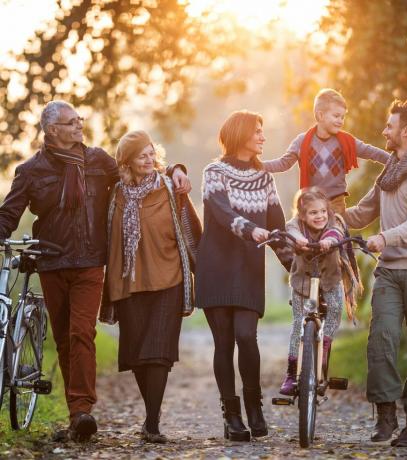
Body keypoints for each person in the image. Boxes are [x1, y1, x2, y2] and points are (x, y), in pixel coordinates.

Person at [0, 101, 190, 442]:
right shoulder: (31, 171)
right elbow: (9, 214)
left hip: (90, 262)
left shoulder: (98, 161)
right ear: (52, 130)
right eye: (71, 122)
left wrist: (174, 167)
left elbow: (137, 168)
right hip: (53, 261)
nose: (79, 125)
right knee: (62, 339)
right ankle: (77, 414)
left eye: (80, 120)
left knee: (81, 333)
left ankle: (82, 410)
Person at [345, 99, 407, 446]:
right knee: (381, 340)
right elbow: (363, 212)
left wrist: (384, 238)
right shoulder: (390, 169)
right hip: (390, 271)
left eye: (389, 126)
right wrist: (323, 217)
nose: (384, 132)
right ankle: (386, 415)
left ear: (406, 132)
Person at [195, 110, 292, 442]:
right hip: (216, 267)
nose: (263, 137)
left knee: (247, 337)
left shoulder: (265, 178)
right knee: (223, 343)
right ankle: (232, 417)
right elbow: (221, 213)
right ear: (241, 134)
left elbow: (277, 227)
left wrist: (295, 264)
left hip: (249, 270)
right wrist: (251, 230)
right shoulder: (214, 172)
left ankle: (254, 406)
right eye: (258, 131)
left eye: (263, 131)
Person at [99, 130, 200, 443]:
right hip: (127, 283)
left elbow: (192, 231)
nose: (149, 159)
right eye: (141, 155)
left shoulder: (171, 188)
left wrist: (204, 271)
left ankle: (152, 422)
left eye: (151, 153)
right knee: (136, 354)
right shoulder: (114, 194)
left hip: (167, 278)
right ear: (127, 162)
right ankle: (150, 416)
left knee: (158, 352)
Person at [279, 187, 360, 395]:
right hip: (302, 283)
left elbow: (336, 233)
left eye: (323, 211)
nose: (320, 216)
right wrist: (298, 240)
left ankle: (324, 346)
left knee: (335, 309)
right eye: (313, 213)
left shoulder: (335, 222)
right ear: (303, 215)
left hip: (330, 280)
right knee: (298, 323)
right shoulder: (295, 224)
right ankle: (291, 372)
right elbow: (290, 229)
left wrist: (329, 241)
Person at [262, 88, 390, 215]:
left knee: (333, 232)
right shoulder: (302, 141)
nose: (340, 121)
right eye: (336, 116)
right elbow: (283, 163)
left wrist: (395, 160)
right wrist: (257, 165)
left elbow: (372, 152)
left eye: (342, 117)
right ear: (320, 115)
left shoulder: (346, 141)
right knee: (307, 232)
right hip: (310, 202)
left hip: (336, 202)